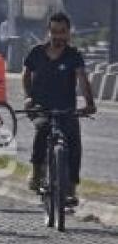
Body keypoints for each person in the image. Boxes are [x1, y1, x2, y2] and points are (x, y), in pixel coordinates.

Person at [23, 12, 96, 205]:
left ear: (68, 33)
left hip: (66, 109)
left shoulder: (74, 55)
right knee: (42, 130)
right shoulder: (36, 52)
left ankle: (71, 187)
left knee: (74, 142)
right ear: (48, 32)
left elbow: (82, 79)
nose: (58, 36)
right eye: (54, 32)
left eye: (62, 32)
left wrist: (89, 103)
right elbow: (26, 73)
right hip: (41, 107)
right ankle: (37, 173)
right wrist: (29, 97)